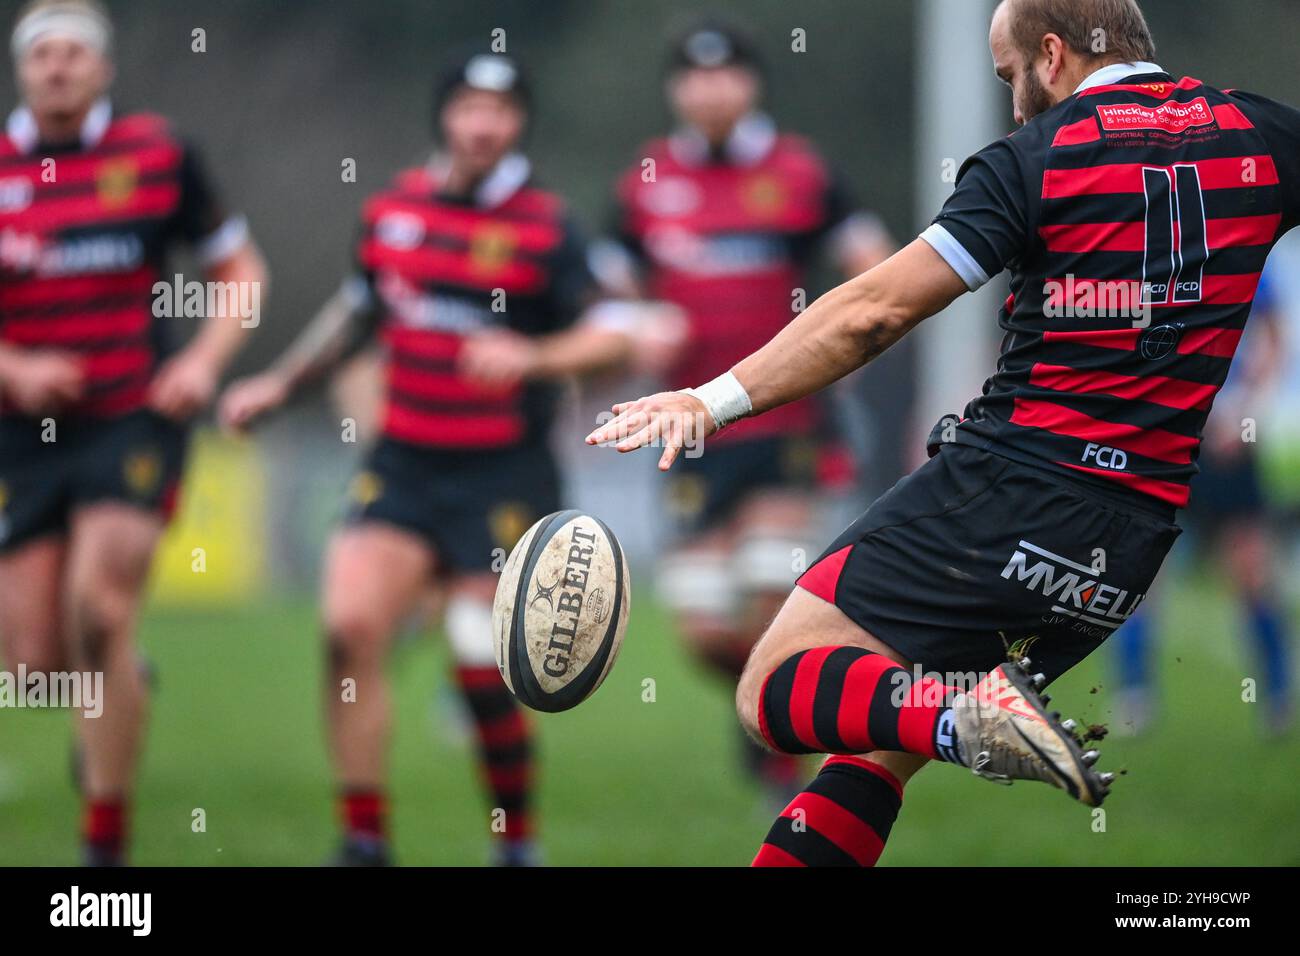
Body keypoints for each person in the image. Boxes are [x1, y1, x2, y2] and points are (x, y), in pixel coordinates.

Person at [588, 0, 1300, 866]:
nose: (1011, 104)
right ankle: (960, 715)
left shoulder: (1036, 158)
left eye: (1009, 76)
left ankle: (970, 714)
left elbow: (872, 314)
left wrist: (710, 400)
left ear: (1051, 52)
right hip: (1130, 543)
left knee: (774, 687)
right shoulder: (1260, 133)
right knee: (873, 753)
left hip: (1010, 492)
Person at [220, 51, 657, 866]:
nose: (482, 124)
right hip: (405, 465)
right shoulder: (393, 210)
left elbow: (614, 336)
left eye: (498, 110)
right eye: (467, 107)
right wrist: (278, 385)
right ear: (446, 116)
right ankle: (362, 840)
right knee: (349, 630)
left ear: (517, 122)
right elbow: (355, 316)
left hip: (504, 475)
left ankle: (515, 840)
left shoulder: (547, 227)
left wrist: (530, 358)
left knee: (475, 655)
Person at [0, 0, 266, 866]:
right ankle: (123, 681)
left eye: (77, 53)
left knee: (100, 608)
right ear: (21, 69)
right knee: (33, 668)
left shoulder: (157, 155)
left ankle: (103, 851)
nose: (59, 67)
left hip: (133, 418)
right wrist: (16, 370)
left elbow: (238, 267)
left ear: (104, 69)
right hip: (21, 434)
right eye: (44, 54)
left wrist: (204, 361)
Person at [599, 19, 892, 798]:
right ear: (676, 90)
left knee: (771, 588)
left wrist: (848, 335)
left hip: (784, 422)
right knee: (701, 632)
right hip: (687, 432)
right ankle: (767, 702)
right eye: (695, 77)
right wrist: (634, 328)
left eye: (726, 73)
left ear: (751, 83)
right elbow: (606, 299)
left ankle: (784, 743)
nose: (711, 88)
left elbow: (873, 263)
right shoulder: (646, 180)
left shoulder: (800, 171)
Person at [1113, 266, 1293, 734]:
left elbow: (1273, 338)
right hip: (1163, 437)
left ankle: (1276, 697)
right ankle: (1134, 695)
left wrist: (1243, 411)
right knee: (1141, 572)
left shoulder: (1248, 248)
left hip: (1229, 440)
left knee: (1252, 569)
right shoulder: (1148, 249)